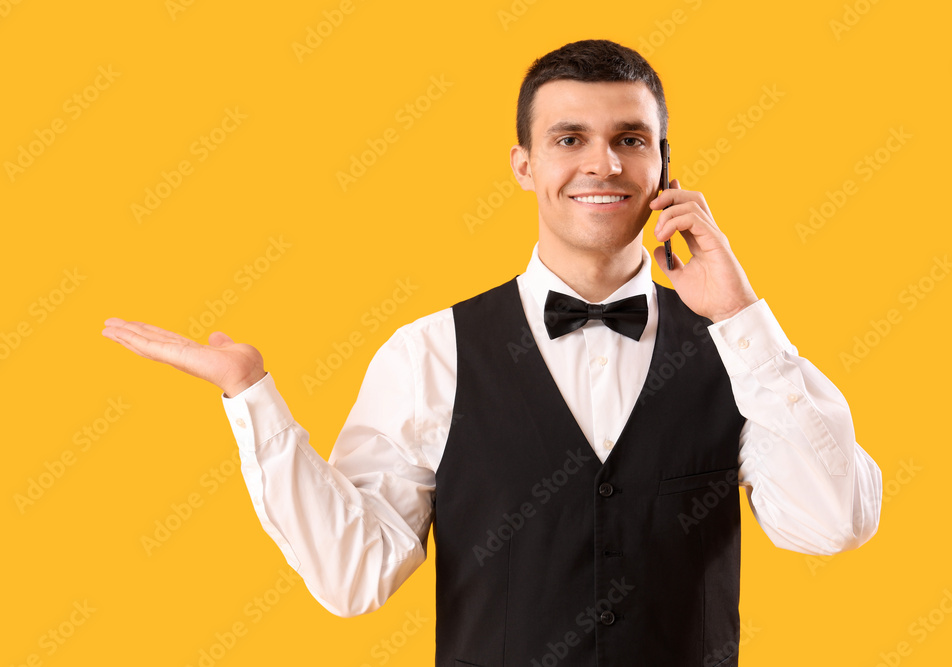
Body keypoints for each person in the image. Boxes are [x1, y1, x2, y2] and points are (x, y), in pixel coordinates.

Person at [102, 39, 882, 666]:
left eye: (630, 140)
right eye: (569, 138)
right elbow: (354, 575)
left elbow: (834, 519)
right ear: (525, 165)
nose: (602, 165)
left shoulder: (739, 354)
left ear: (665, 167)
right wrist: (252, 396)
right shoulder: (430, 353)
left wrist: (742, 315)